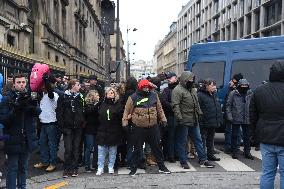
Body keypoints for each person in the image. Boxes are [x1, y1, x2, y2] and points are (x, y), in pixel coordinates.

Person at [0, 73, 41, 189]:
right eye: (19, 82)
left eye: (23, 82)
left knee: (23, 167)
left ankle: (22, 187)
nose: (22, 85)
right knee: (12, 168)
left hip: (26, 139)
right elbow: (4, 120)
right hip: (13, 139)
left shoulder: (29, 96)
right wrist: (16, 109)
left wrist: (32, 103)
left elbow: (38, 112)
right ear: (14, 83)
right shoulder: (7, 98)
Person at [122, 79, 171, 176]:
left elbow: (159, 109)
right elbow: (126, 111)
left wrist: (164, 120)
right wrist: (125, 124)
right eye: (144, 87)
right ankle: (134, 168)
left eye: (147, 87)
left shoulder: (154, 95)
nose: (146, 89)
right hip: (138, 127)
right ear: (140, 87)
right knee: (137, 149)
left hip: (153, 126)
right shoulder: (133, 97)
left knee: (157, 148)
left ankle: (162, 166)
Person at [250, 61, 284, 189]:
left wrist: (254, 135)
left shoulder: (259, 90)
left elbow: (252, 116)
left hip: (266, 138)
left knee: (267, 173)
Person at [172, 71, 214, 169]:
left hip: (194, 119)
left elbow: (196, 103)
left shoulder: (192, 90)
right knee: (182, 142)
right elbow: (175, 106)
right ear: (184, 80)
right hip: (184, 120)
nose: (192, 81)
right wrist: (180, 118)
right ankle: (183, 161)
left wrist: (200, 113)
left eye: (192, 79)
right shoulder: (177, 90)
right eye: (190, 79)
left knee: (198, 140)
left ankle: (203, 159)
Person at [56, 79, 85, 178]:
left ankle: (75, 168)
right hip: (67, 127)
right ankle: (67, 168)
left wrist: (82, 122)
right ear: (72, 86)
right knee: (68, 149)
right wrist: (62, 126)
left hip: (78, 127)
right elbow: (59, 112)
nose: (79, 86)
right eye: (78, 84)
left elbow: (84, 111)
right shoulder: (63, 96)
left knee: (76, 149)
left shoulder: (81, 97)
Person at [34, 74, 59, 172]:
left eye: (45, 85)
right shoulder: (44, 95)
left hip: (51, 123)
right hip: (43, 123)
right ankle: (45, 161)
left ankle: (53, 163)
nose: (43, 86)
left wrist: (45, 80)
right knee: (42, 143)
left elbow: (50, 92)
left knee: (52, 144)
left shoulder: (53, 95)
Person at [96, 87, 123, 175]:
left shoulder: (118, 104)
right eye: (109, 92)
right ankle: (100, 167)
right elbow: (95, 113)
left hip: (114, 131)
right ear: (106, 94)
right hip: (102, 130)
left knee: (113, 151)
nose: (111, 94)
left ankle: (110, 166)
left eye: (112, 93)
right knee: (101, 151)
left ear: (115, 95)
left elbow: (121, 116)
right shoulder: (101, 103)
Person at [226, 79, 254, 160]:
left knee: (247, 136)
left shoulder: (250, 93)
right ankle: (234, 152)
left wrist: (252, 116)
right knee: (235, 135)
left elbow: (253, 105)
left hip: (247, 117)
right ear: (239, 85)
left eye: (246, 86)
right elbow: (228, 105)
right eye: (242, 86)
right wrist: (230, 116)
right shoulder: (233, 93)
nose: (244, 87)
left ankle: (247, 152)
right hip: (236, 117)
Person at [198, 79, 222, 161]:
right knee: (203, 139)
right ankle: (203, 157)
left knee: (211, 139)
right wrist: (201, 119)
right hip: (204, 121)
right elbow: (198, 109)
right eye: (212, 85)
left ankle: (210, 155)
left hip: (213, 121)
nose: (214, 87)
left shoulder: (214, 94)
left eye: (215, 85)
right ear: (206, 86)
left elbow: (217, 106)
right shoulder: (200, 95)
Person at [161, 72, 179, 162]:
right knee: (170, 136)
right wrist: (174, 106)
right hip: (170, 116)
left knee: (178, 136)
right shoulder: (166, 90)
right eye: (167, 78)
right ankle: (170, 155)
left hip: (179, 116)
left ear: (175, 78)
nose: (168, 79)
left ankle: (176, 154)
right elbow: (164, 102)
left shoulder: (180, 89)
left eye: (170, 78)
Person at [223, 73, 243, 153]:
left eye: (232, 80)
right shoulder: (231, 90)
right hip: (229, 114)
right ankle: (230, 147)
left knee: (235, 131)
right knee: (229, 131)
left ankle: (233, 147)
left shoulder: (237, 92)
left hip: (233, 115)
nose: (230, 82)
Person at [84, 90, 100, 173]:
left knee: (97, 148)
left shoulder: (99, 105)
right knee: (89, 148)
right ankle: (87, 165)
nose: (98, 96)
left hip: (97, 129)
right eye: (97, 94)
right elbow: (89, 112)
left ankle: (95, 164)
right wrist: (97, 104)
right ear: (92, 96)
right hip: (89, 129)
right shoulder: (87, 104)